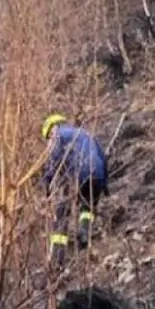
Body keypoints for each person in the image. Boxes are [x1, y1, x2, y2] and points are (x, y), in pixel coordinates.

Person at [41, 114, 109, 267]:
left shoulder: (57, 135)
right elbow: (102, 157)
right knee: (88, 204)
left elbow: (53, 160)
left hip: (79, 171)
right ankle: (85, 232)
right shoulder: (84, 133)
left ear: (52, 128)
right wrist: (104, 184)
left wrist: (48, 184)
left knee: (61, 213)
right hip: (97, 172)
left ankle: (57, 258)